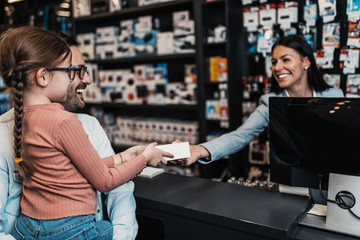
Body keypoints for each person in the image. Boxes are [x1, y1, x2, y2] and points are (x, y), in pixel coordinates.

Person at [0, 26, 172, 239]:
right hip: (70, 229)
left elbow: (69, 169)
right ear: (43, 77)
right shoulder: (63, 121)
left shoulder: (25, 119)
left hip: (27, 227)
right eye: (70, 71)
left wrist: (121, 158)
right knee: (107, 230)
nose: (85, 79)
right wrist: (145, 158)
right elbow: (104, 182)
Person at [178, 34, 344, 166]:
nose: (277, 67)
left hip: (329, 182)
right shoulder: (271, 102)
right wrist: (200, 149)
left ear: (306, 62)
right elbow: (240, 136)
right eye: (274, 62)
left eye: (286, 59)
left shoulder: (335, 97)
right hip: (287, 184)